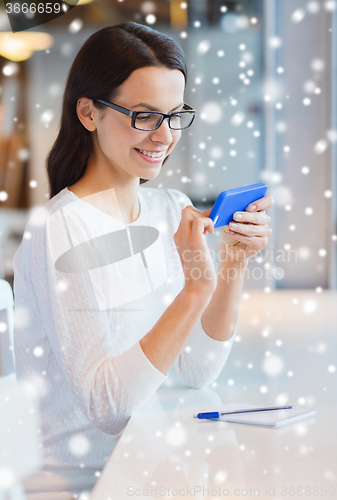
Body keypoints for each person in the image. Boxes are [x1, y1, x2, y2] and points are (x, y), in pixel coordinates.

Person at [12, 22, 273, 500]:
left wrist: (230, 264)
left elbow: (196, 373)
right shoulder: (62, 227)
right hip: (84, 484)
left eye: (175, 116)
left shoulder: (169, 208)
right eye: (144, 116)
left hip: (155, 469)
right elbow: (108, 408)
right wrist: (196, 289)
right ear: (88, 112)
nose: (164, 135)